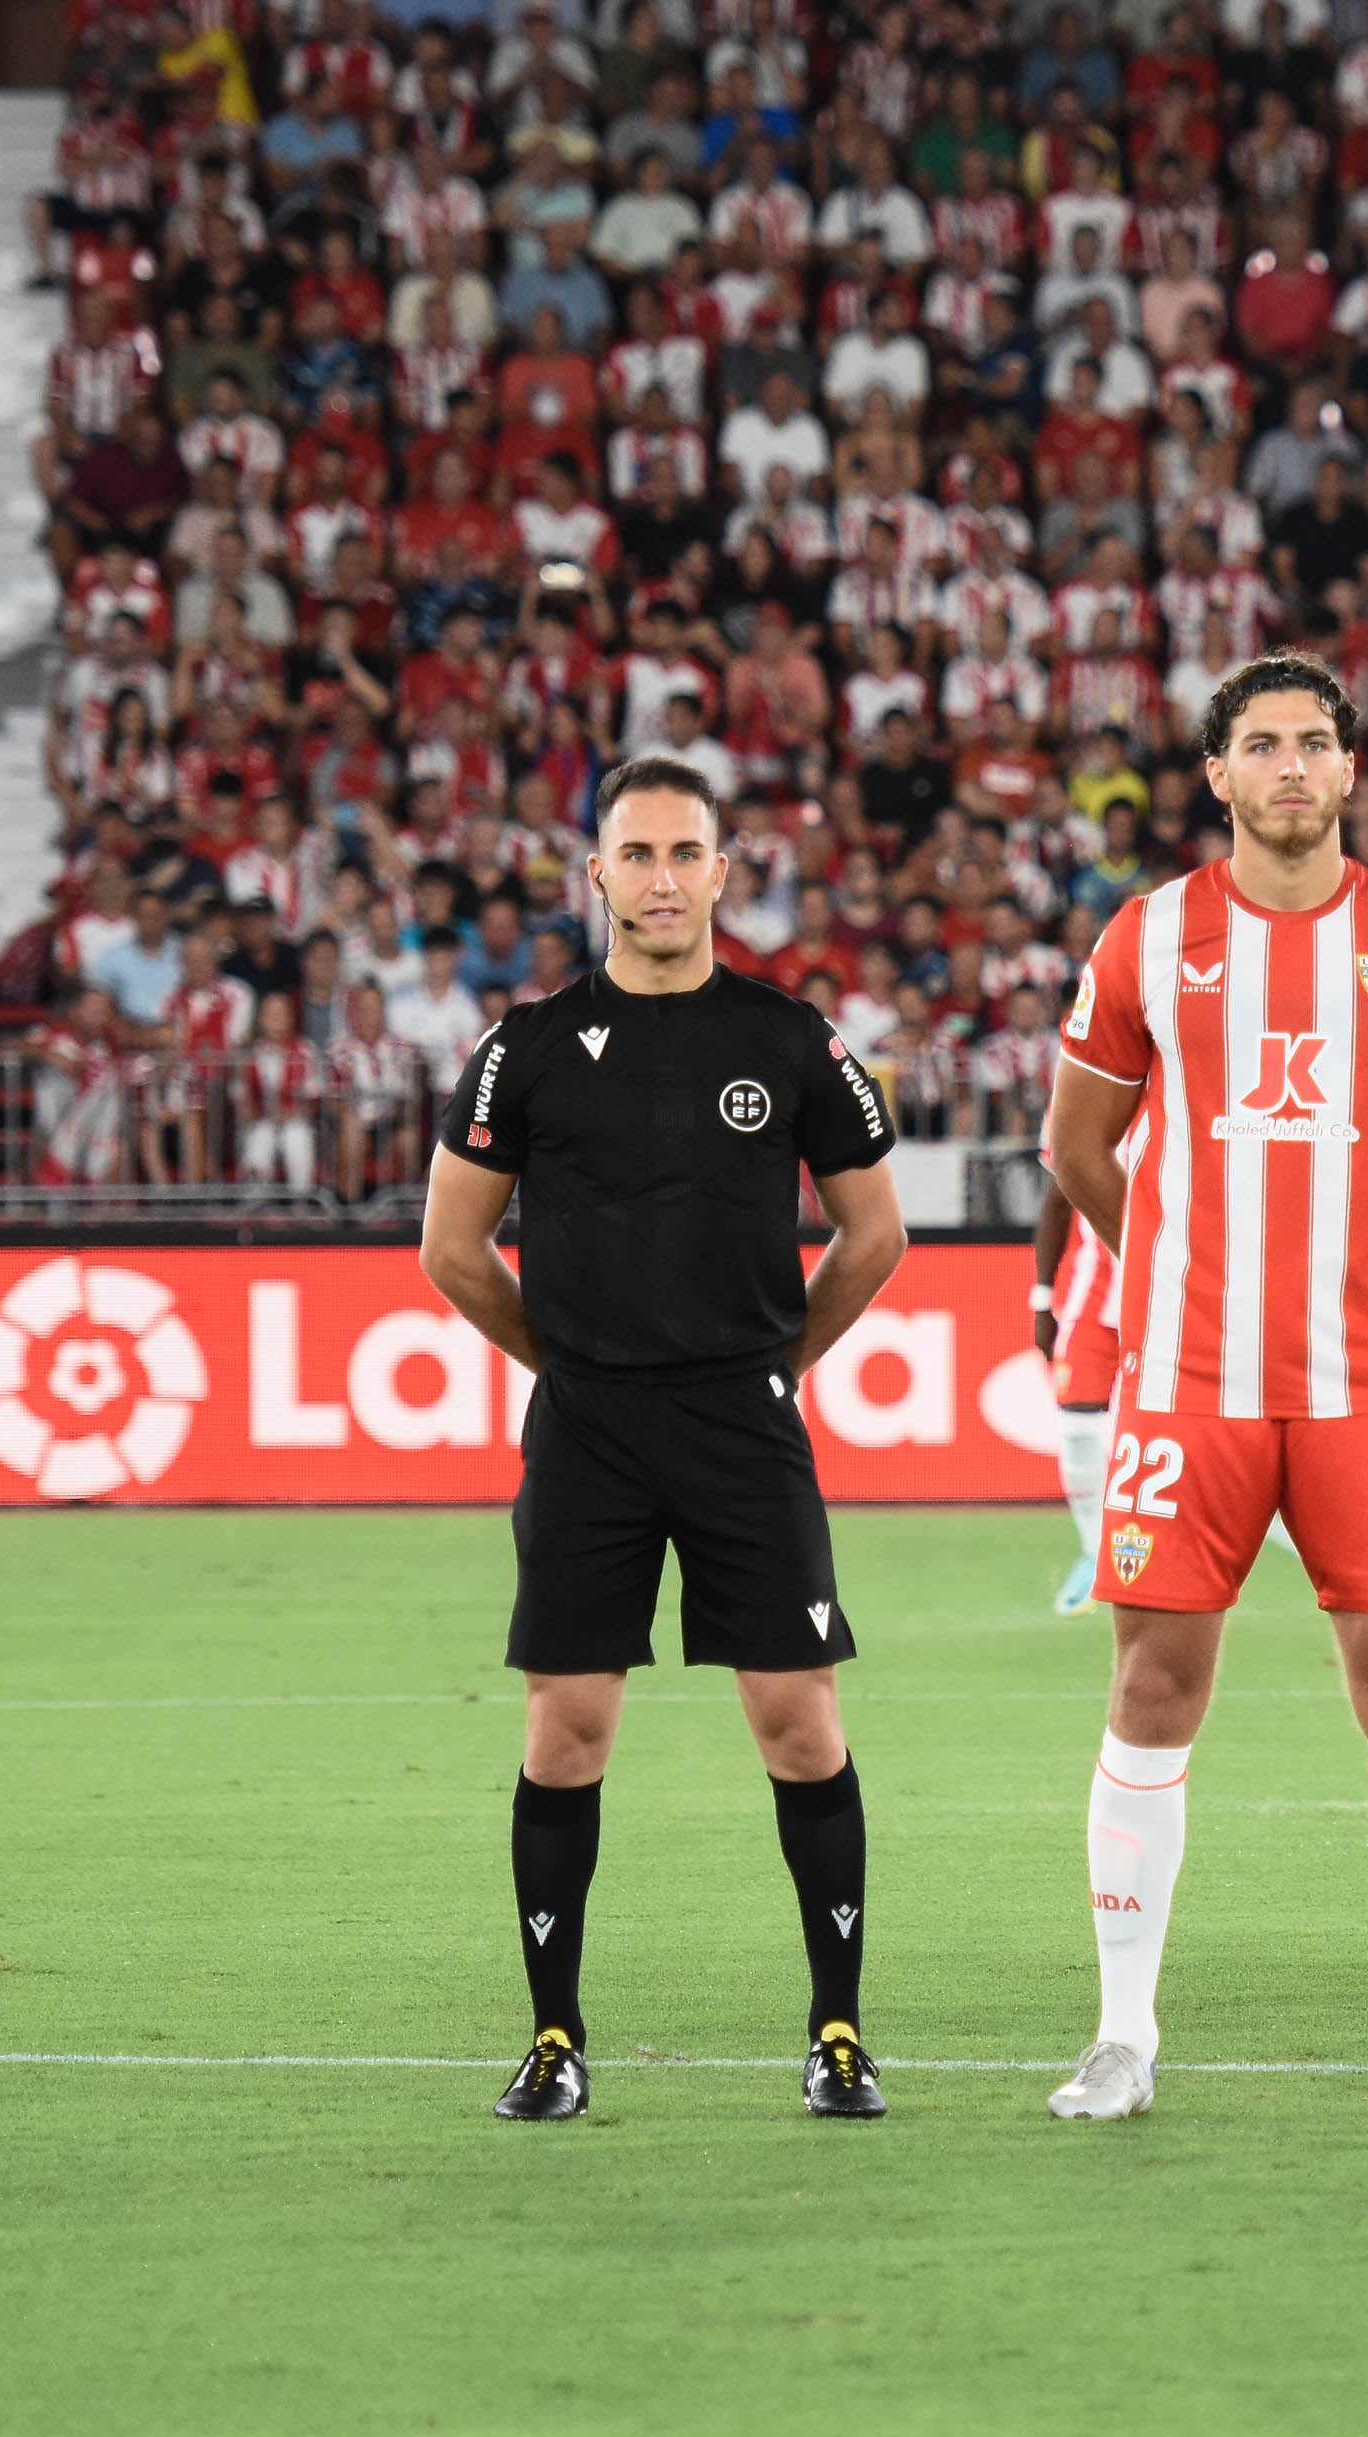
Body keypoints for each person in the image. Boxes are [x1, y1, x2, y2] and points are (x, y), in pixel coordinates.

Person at [1037, 654, 1368, 2124]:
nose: (1293, 768)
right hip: (1190, 1384)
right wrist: (1179, 1259)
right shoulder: (1147, 938)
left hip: (1365, 1387)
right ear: (1219, 774)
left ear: (1352, 772)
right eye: (1264, 746)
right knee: (1151, 1685)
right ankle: (1124, 2034)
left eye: (1317, 743)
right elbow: (1079, 1148)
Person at [419, 754, 911, 2126]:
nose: (660, 879)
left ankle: (838, 2031)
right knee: (567, 1731)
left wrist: (775, 1367)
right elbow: (451, 1252)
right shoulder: (522, 1045)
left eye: (684, 853)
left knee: (798, 1723)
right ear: (597, 875)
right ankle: (556, 2038)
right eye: (634, 855)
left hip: (743, 1428)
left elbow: (876, 1236)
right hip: (589, 1433)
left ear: (721, 870)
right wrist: (568, 1363)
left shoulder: (788, 1038)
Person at [1029, 1164, 1121, 1616]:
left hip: (1175, 1296)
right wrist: (1043, 1300)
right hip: (1095, 1301)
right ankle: (1094, 1553)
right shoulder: (1085, 1092)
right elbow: (1057, 1196)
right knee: (1076, 1426)